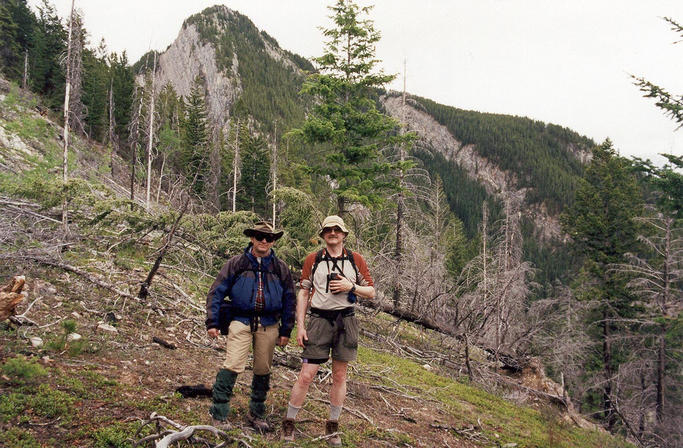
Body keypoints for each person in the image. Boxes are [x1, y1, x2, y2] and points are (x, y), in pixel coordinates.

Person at [282, 215, 375, 446]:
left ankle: (333, 427)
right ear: (323, 235)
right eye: (328, 230)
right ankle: (289, 422)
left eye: (337, 230)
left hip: (346, 320)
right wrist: (301, 326)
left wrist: (350, 286)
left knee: (340, 375)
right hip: (319, 321)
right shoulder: (313, 259)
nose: (332, 233)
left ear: (344, 234)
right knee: (306, 375)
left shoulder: (356, 260)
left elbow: (371, 291)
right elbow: (304, 292)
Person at [205, 221, 296, 432]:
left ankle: (257, 413)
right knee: (233, 364)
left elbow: (290, 300)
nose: (264, 241)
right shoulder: (236, 263)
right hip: (240, 321)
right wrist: (212, 322)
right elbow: (216, 292)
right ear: (251, 238)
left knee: (263, 369)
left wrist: (286, 330)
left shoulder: (280, 267)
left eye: (269, 238)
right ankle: (218, 413)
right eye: (259, 236)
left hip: (269, 324)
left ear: (273, 241)